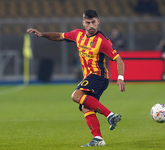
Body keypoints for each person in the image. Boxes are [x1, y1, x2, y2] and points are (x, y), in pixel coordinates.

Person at [27, 9, 125, 147]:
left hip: (99, 76)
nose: (91, 26)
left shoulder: (103, 41)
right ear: (83, 23)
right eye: (88, 22)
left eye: (94, 22)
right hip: (90, 77)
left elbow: (119, 59)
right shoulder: (77, 34)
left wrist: (120, 77)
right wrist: (42, 34)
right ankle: (98, 139)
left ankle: (110, 115)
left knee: (75, 95)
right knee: (85, 107)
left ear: (98, 22)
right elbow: (59, 36)